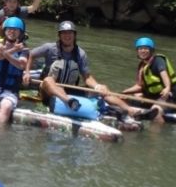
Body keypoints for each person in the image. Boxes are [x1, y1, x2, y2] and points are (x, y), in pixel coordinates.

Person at [24, 21, 161, 124]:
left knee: (103, 88)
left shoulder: (80, 54)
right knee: (48, 80)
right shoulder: (49, 48)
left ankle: (131, 111)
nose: (67, 36)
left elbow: (87, 77)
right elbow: (31, 54)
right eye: (64, 33)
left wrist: (97, 87)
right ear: (60, 35)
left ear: (74, 35)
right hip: (48, 91)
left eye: (70, 33)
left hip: (70, 89)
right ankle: (68, 101)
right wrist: (27, 72)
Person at [121, 36, 176, 105]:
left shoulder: (158, 60)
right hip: (154, 96)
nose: (143, 51)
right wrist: (124, 92)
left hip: (168, 95)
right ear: (137, 51)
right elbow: (139, 86)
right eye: (140, 49)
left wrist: (167, 87)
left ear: (151, 50)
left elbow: (163, 73)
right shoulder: (142, 66)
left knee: (155, 109)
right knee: (135, 96)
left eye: (146, 48)